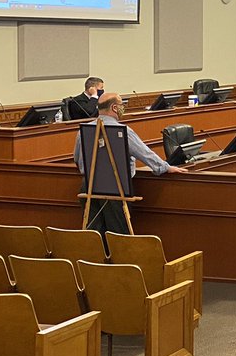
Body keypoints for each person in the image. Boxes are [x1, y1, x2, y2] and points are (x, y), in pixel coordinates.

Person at [72, 92, 187, 246]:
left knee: (93, 234)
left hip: (89, 186)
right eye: (121, 105)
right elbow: (144, 153)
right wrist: (164, 168)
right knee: (118, 234)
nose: (123, 108)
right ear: (114, 107)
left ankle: (93, 266)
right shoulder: (122, 131)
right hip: (116, 188)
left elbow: (78, 159)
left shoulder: (83, 131)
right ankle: (120, 267)